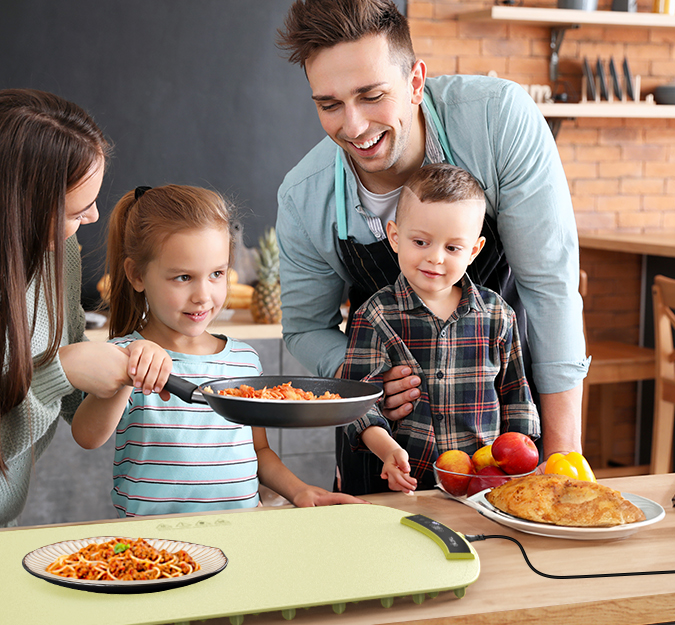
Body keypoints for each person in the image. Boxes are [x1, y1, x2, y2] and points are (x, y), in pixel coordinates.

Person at [274, 0, 586, 489]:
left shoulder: (497, 121)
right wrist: (369, 379)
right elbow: (305, 329)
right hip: (387, 456)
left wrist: (564, 453)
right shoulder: (304, 196)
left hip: (500, 443)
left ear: (416, 81)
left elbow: (549, 286)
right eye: (329, 104)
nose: (352, 127)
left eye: (372, 95)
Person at [69, 184, 367, 516]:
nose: (203, 295)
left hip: (240, 533)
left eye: (216, 274)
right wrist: (126, 374)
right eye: (183, 277)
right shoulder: (123, 356)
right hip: (155, 548)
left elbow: (259, 452)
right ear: (137, 275)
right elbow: (87, 436)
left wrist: (300, 491)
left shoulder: (243, 360)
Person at [0, 89, 173, 527]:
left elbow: (81, 416)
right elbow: (60, 376)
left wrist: (126, 367)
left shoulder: (60, 252)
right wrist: (61, 370)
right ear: (20, 209)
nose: (94, 217)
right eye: (77, 209)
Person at [339, 164, 538, 494]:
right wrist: (389, 452)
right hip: (405, 489)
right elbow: (358, 405)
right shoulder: (375, 315)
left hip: (484, 488)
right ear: (394, 236)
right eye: (420, 241)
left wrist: (524, 467)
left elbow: (517, 399)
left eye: (452, 248)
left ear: (474, 251)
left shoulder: (498, 315)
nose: (436, 258)